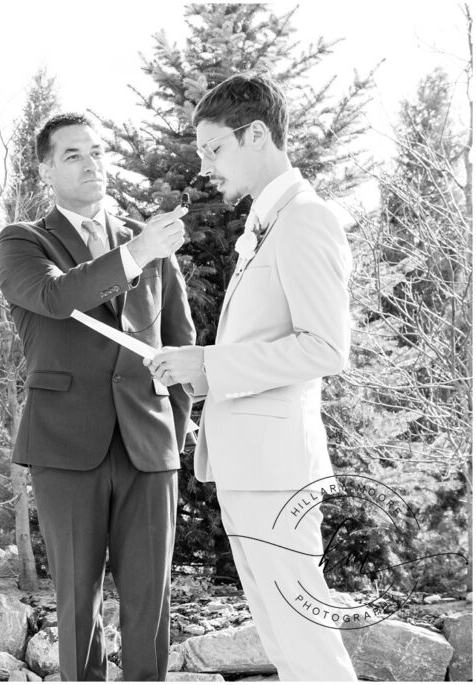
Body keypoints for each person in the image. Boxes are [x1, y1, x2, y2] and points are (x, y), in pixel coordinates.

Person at [146, 72, 357, 681]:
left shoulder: (306, 219)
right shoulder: (264, 224)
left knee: (306, 641)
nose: (206, 166)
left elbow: (324, 348)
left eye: (214, 149)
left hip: (278, 473)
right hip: (252, 467)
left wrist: (209, 362)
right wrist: (202, 375)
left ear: (256, 134)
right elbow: (269, 345)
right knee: (284, 641)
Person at [0, 112, 195, 681]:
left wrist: (171, 429)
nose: (91, 164)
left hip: (149, 447)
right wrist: (136, 254)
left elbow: (178, 343)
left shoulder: (149, 240)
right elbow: (55, 298)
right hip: (65, 447)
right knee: (78, 608)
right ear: (47, 170)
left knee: (150, 606)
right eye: (73, 155)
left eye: (97, 152)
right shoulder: (23, 241)